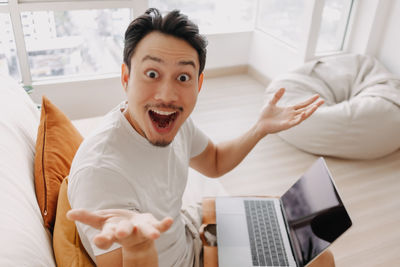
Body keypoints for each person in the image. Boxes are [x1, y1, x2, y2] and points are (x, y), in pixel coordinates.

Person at [67, 8, 330, 267]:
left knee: (301, 228)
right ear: (126, 77)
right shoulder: (101, 173)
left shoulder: (175, 123)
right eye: (152, 74)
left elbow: (214, 161)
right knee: (318, 260)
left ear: (199, 84)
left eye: (183, 77)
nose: (167, 95)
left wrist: (260, 128)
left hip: (191, 229)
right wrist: (139, 248)